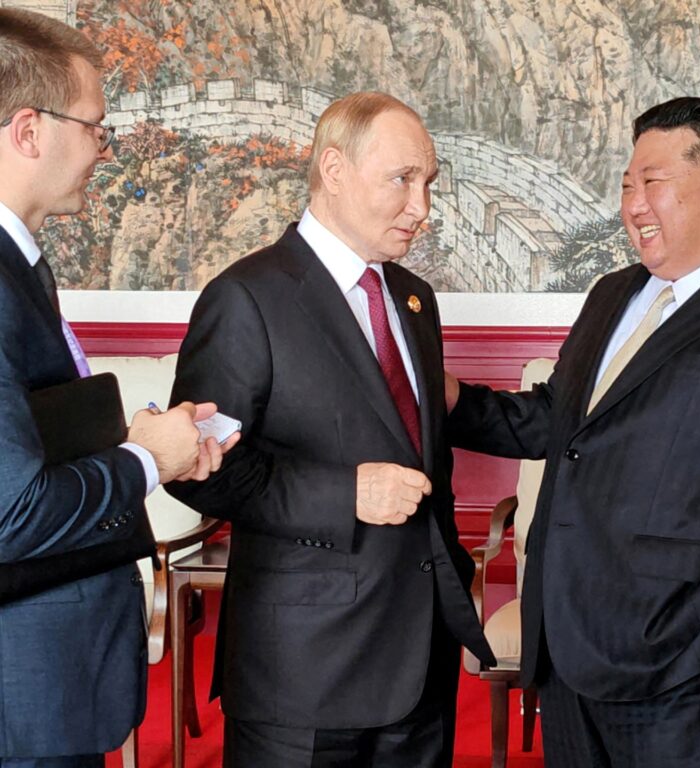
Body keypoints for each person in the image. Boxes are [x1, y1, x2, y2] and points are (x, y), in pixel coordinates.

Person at [445, 97, 700, 767]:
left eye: (653, 182)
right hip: (565, 638)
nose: (634, 205)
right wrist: (450, 397)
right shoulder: (613, 293)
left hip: (688, 659)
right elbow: (557, 422)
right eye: (627, 185)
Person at [166, 91, 495, 768]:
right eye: (402, 179)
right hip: (303, 673)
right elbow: (200, 472)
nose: (422, 206)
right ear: (335, 171)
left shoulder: (414, 298)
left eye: (429, 182)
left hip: (420, 662)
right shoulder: (245, 298)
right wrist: (346, 494)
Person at [0, 9, 234, 766]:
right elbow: (12, 512)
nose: (105, 148)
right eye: (94, 126)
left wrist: (146, 442)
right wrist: (146, 460)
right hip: (22, 694)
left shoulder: (19, 265)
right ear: (28, 131)